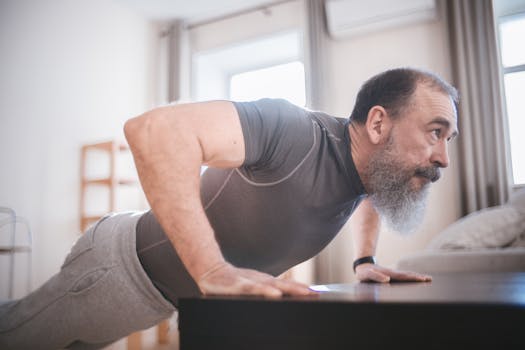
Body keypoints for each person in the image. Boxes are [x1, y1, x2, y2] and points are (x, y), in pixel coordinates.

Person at [0, 67, 459, 349]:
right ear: (378, 123)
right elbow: (154, 130)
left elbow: (373, 194)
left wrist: (364, 260)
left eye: (448, 139)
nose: (443, 156)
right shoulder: (295, 131)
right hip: (115, 270)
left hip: (155, 298)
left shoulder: (364, 169)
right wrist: (212, 268)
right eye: (435, 132)